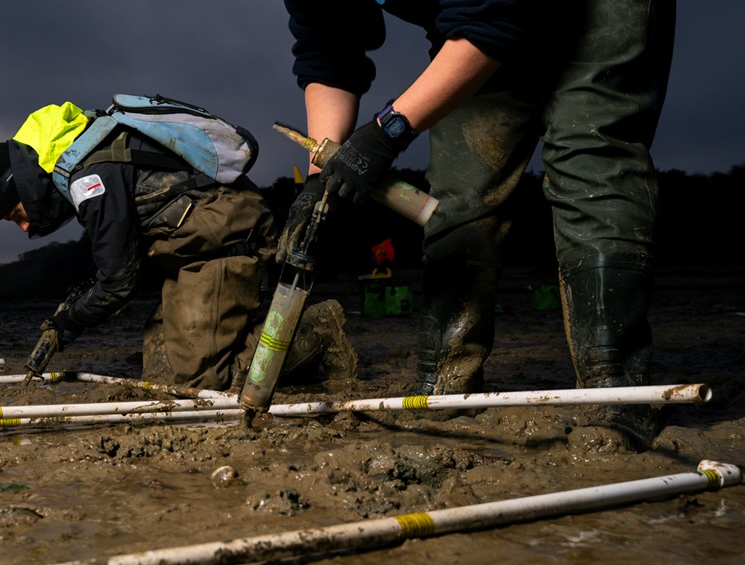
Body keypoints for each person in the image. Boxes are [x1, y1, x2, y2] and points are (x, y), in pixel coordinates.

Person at [284, 0, 675, 448]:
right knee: (462, 188)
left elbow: (493, 19)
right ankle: (446, 379)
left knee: (590, 160)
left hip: (595, 8)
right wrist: (321, 178)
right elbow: (329, 52)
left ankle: (617, 389)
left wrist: (385, 132)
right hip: (483, 17)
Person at [0, 98, 357, 392]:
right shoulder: (83, 156)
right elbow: (115, 254)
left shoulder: (89, 177)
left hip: (225, 243)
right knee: (160, 376)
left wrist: (69, 322)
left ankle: (316, 330)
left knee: (200, 382)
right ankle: (286, 356)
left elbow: (117, 281)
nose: (23, 227)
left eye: (16, 214)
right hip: (194, 252)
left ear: (22, 186)